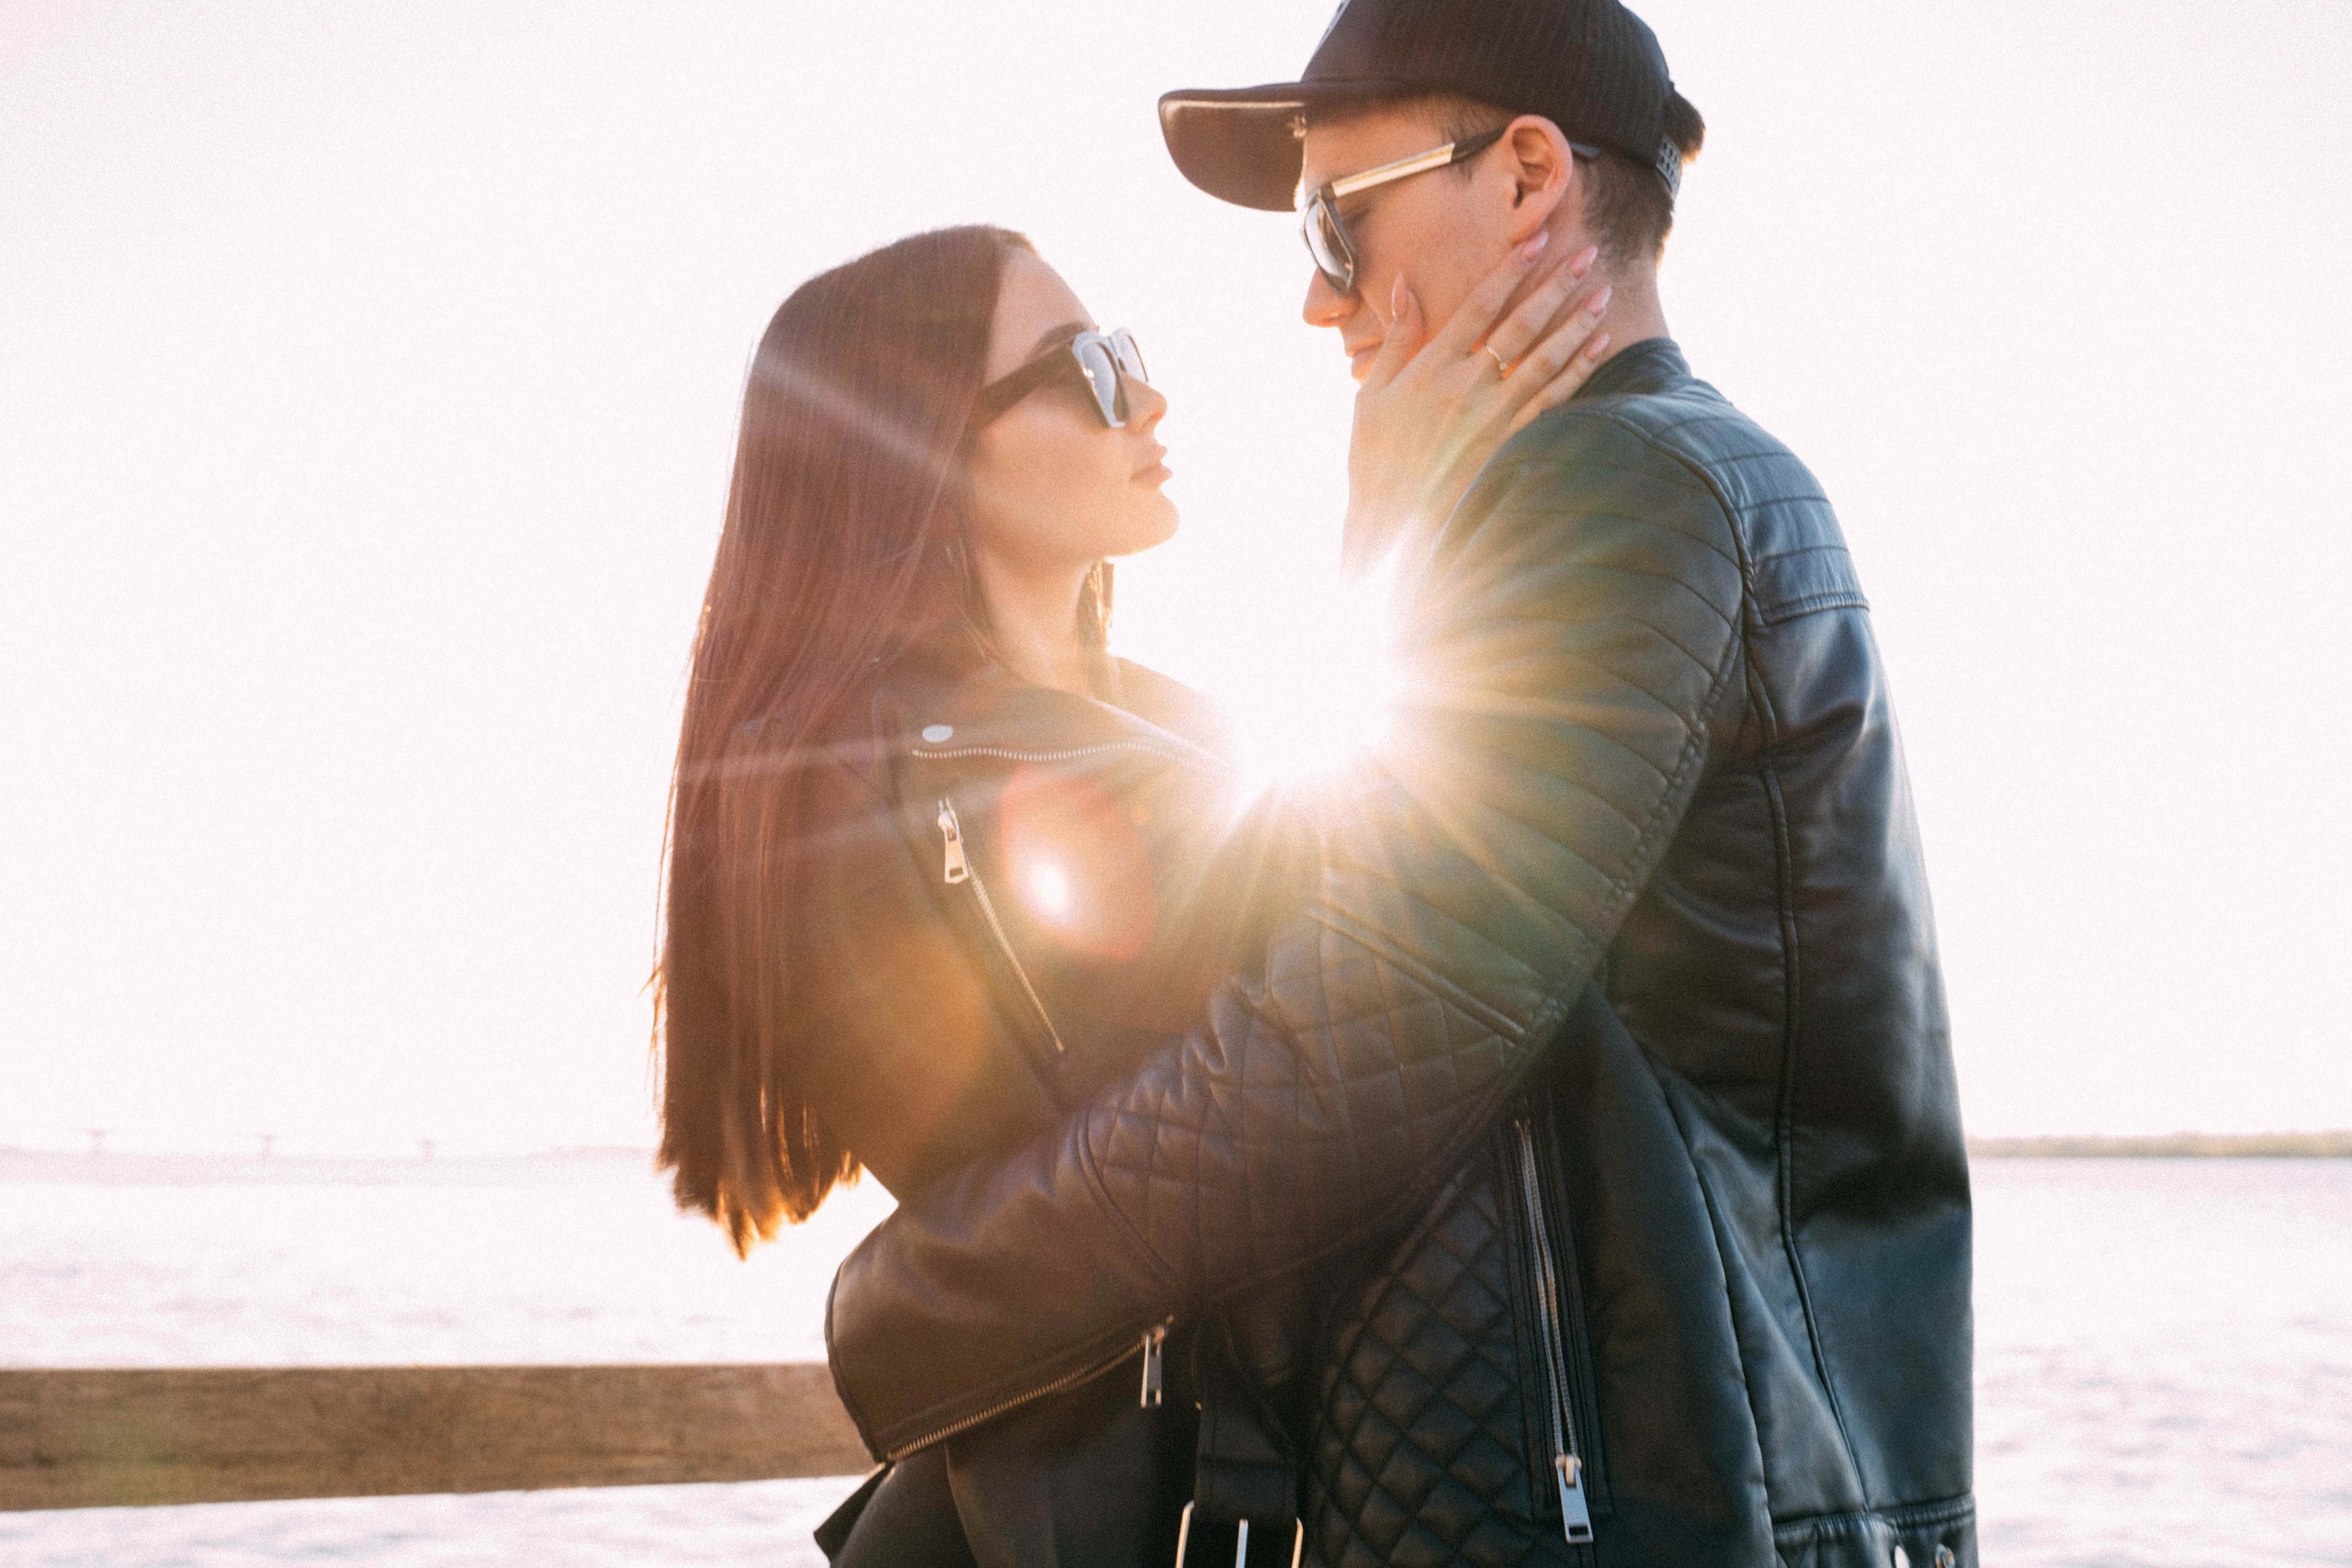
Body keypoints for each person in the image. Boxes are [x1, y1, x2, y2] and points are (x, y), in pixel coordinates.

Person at [823, 1, 1977, 1565]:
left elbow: (1351, 1039)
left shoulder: (1616, 491)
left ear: (1523, 180)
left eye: (1336, 221)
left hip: (1654, 1506)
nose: (1314, 299)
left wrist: (911, 1304)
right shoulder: (1630, 488)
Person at [652, 224, 1611, 1564]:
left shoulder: (1174, 729)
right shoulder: (848, 785)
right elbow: (1308, 1061)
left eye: (1131, 355)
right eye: (1086, 368)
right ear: (921, 442)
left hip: (1261, 1479)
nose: (1147, 399)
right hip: (1138, 1508)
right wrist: (1398, 532)